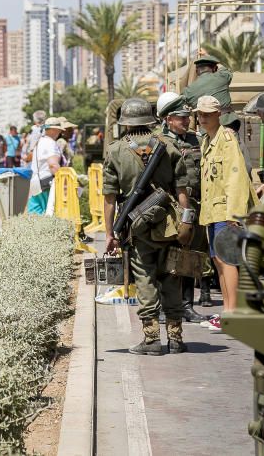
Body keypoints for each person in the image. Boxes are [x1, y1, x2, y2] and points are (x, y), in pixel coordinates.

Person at [103, 98, 190, 355]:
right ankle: (175, 338)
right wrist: (186, 225)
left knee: (145, 279)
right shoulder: (170, 146)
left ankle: (151, 339)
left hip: (136, 226)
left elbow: (109, 198)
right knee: (172, 277)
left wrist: (110, 233)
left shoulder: (116, 151)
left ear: (126, 124)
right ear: (151, 121)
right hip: (170, 225)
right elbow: (182, 191)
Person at [197, 95, 254, 331]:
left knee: (227, 260)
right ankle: (226, 312)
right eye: (200, 114)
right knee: (218, 262)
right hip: (213, 209)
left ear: (218, 115)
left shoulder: (227, 139)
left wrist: (235, 214)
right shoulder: (207, 141)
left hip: (226, 211)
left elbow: (236, 177)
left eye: (207, 114)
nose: (202, 118)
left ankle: (233, 314)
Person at [157, 93, 208, 323]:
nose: (187, 121)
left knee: (190, 257)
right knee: (165, 257)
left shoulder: (196, 140)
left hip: (194, 205)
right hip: (169, 208)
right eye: (181, 117)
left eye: (187, 117)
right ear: (168, 119)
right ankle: (162, 305)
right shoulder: (159, 142)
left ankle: (187, 305)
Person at [27, 118, 63, 214]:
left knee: (35, 211)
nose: (59, 132)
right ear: (54, 130)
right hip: (46, 182)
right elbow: (53, 165)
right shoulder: (50, 143)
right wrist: (64, 179)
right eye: (59, 130)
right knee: (48, 212)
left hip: (35, 181)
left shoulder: (40, 141)